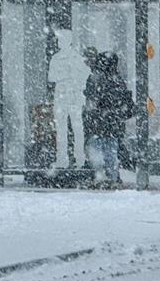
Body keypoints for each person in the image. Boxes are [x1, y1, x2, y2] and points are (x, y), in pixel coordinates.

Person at [83, 49, 134, 186]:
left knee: (97, 152)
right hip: (113, 124)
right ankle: (112, 178)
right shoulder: (118, 80)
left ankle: (100, 177)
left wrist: (94, 114)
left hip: (98, 124)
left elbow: (90, 102)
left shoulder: (94, 79)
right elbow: (124, 102)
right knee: (110, 152)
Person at [48, 29, 90, 168]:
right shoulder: (56, 58)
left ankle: (80, 159)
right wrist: (66, 76)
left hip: (73, 96)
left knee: (78, 128)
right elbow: (51, 77)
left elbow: (86, 74)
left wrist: (75, 80)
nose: (59, 42)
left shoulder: (76, 57)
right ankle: (62, 159)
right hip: (61, 95)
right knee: (61, 129)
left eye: (61, 39)